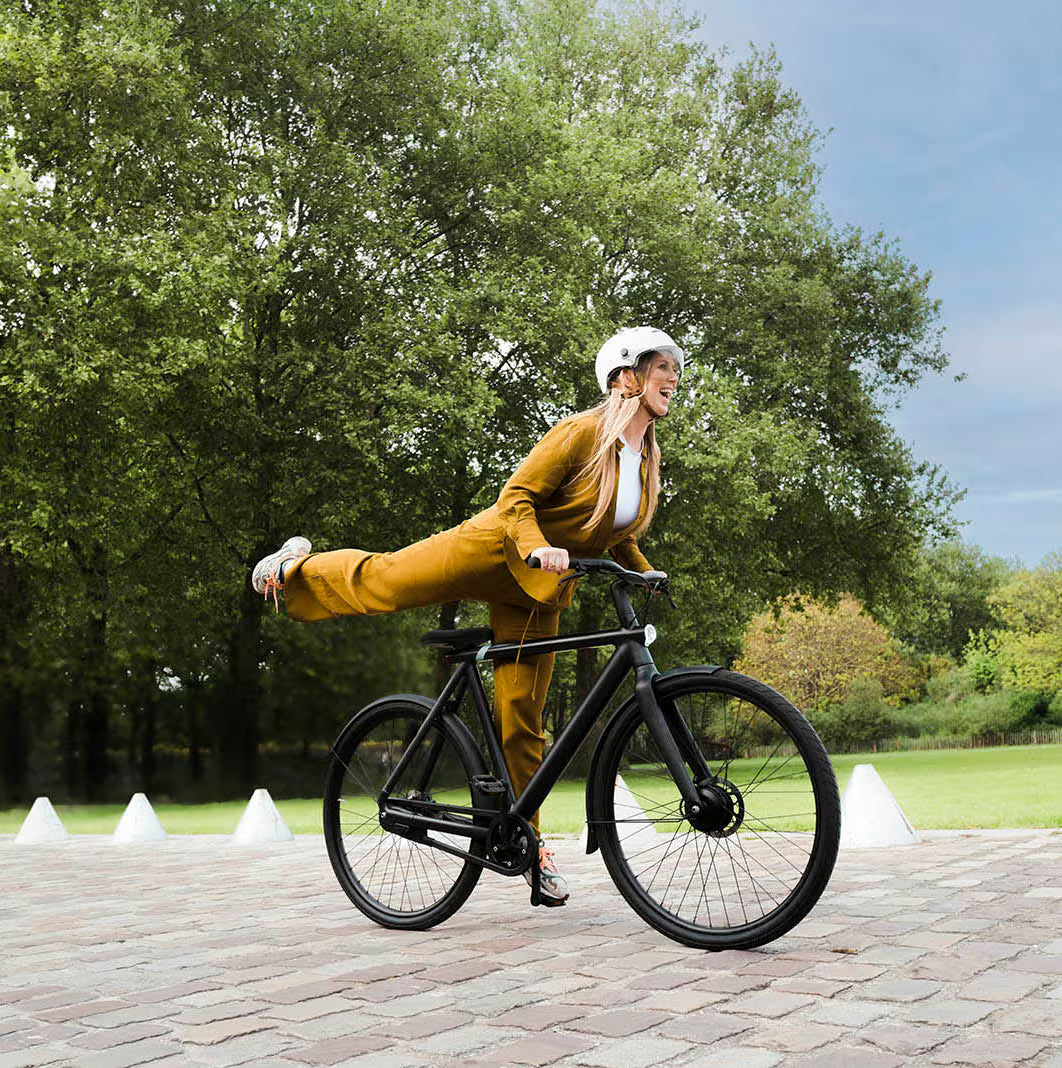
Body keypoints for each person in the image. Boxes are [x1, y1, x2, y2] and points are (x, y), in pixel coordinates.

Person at [252, 326, 683, 904]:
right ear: (626, 376)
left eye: (677, 370)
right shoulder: (579, 435)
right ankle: (295, 570)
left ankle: (527, 846)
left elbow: (615, 533)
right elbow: (517, 499)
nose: (674, 378)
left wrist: (644, 571)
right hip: (493, 548)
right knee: (389, 580)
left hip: (538, 588)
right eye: (664, 367)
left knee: (522, 720)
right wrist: (538, 545)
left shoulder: (646, 457)